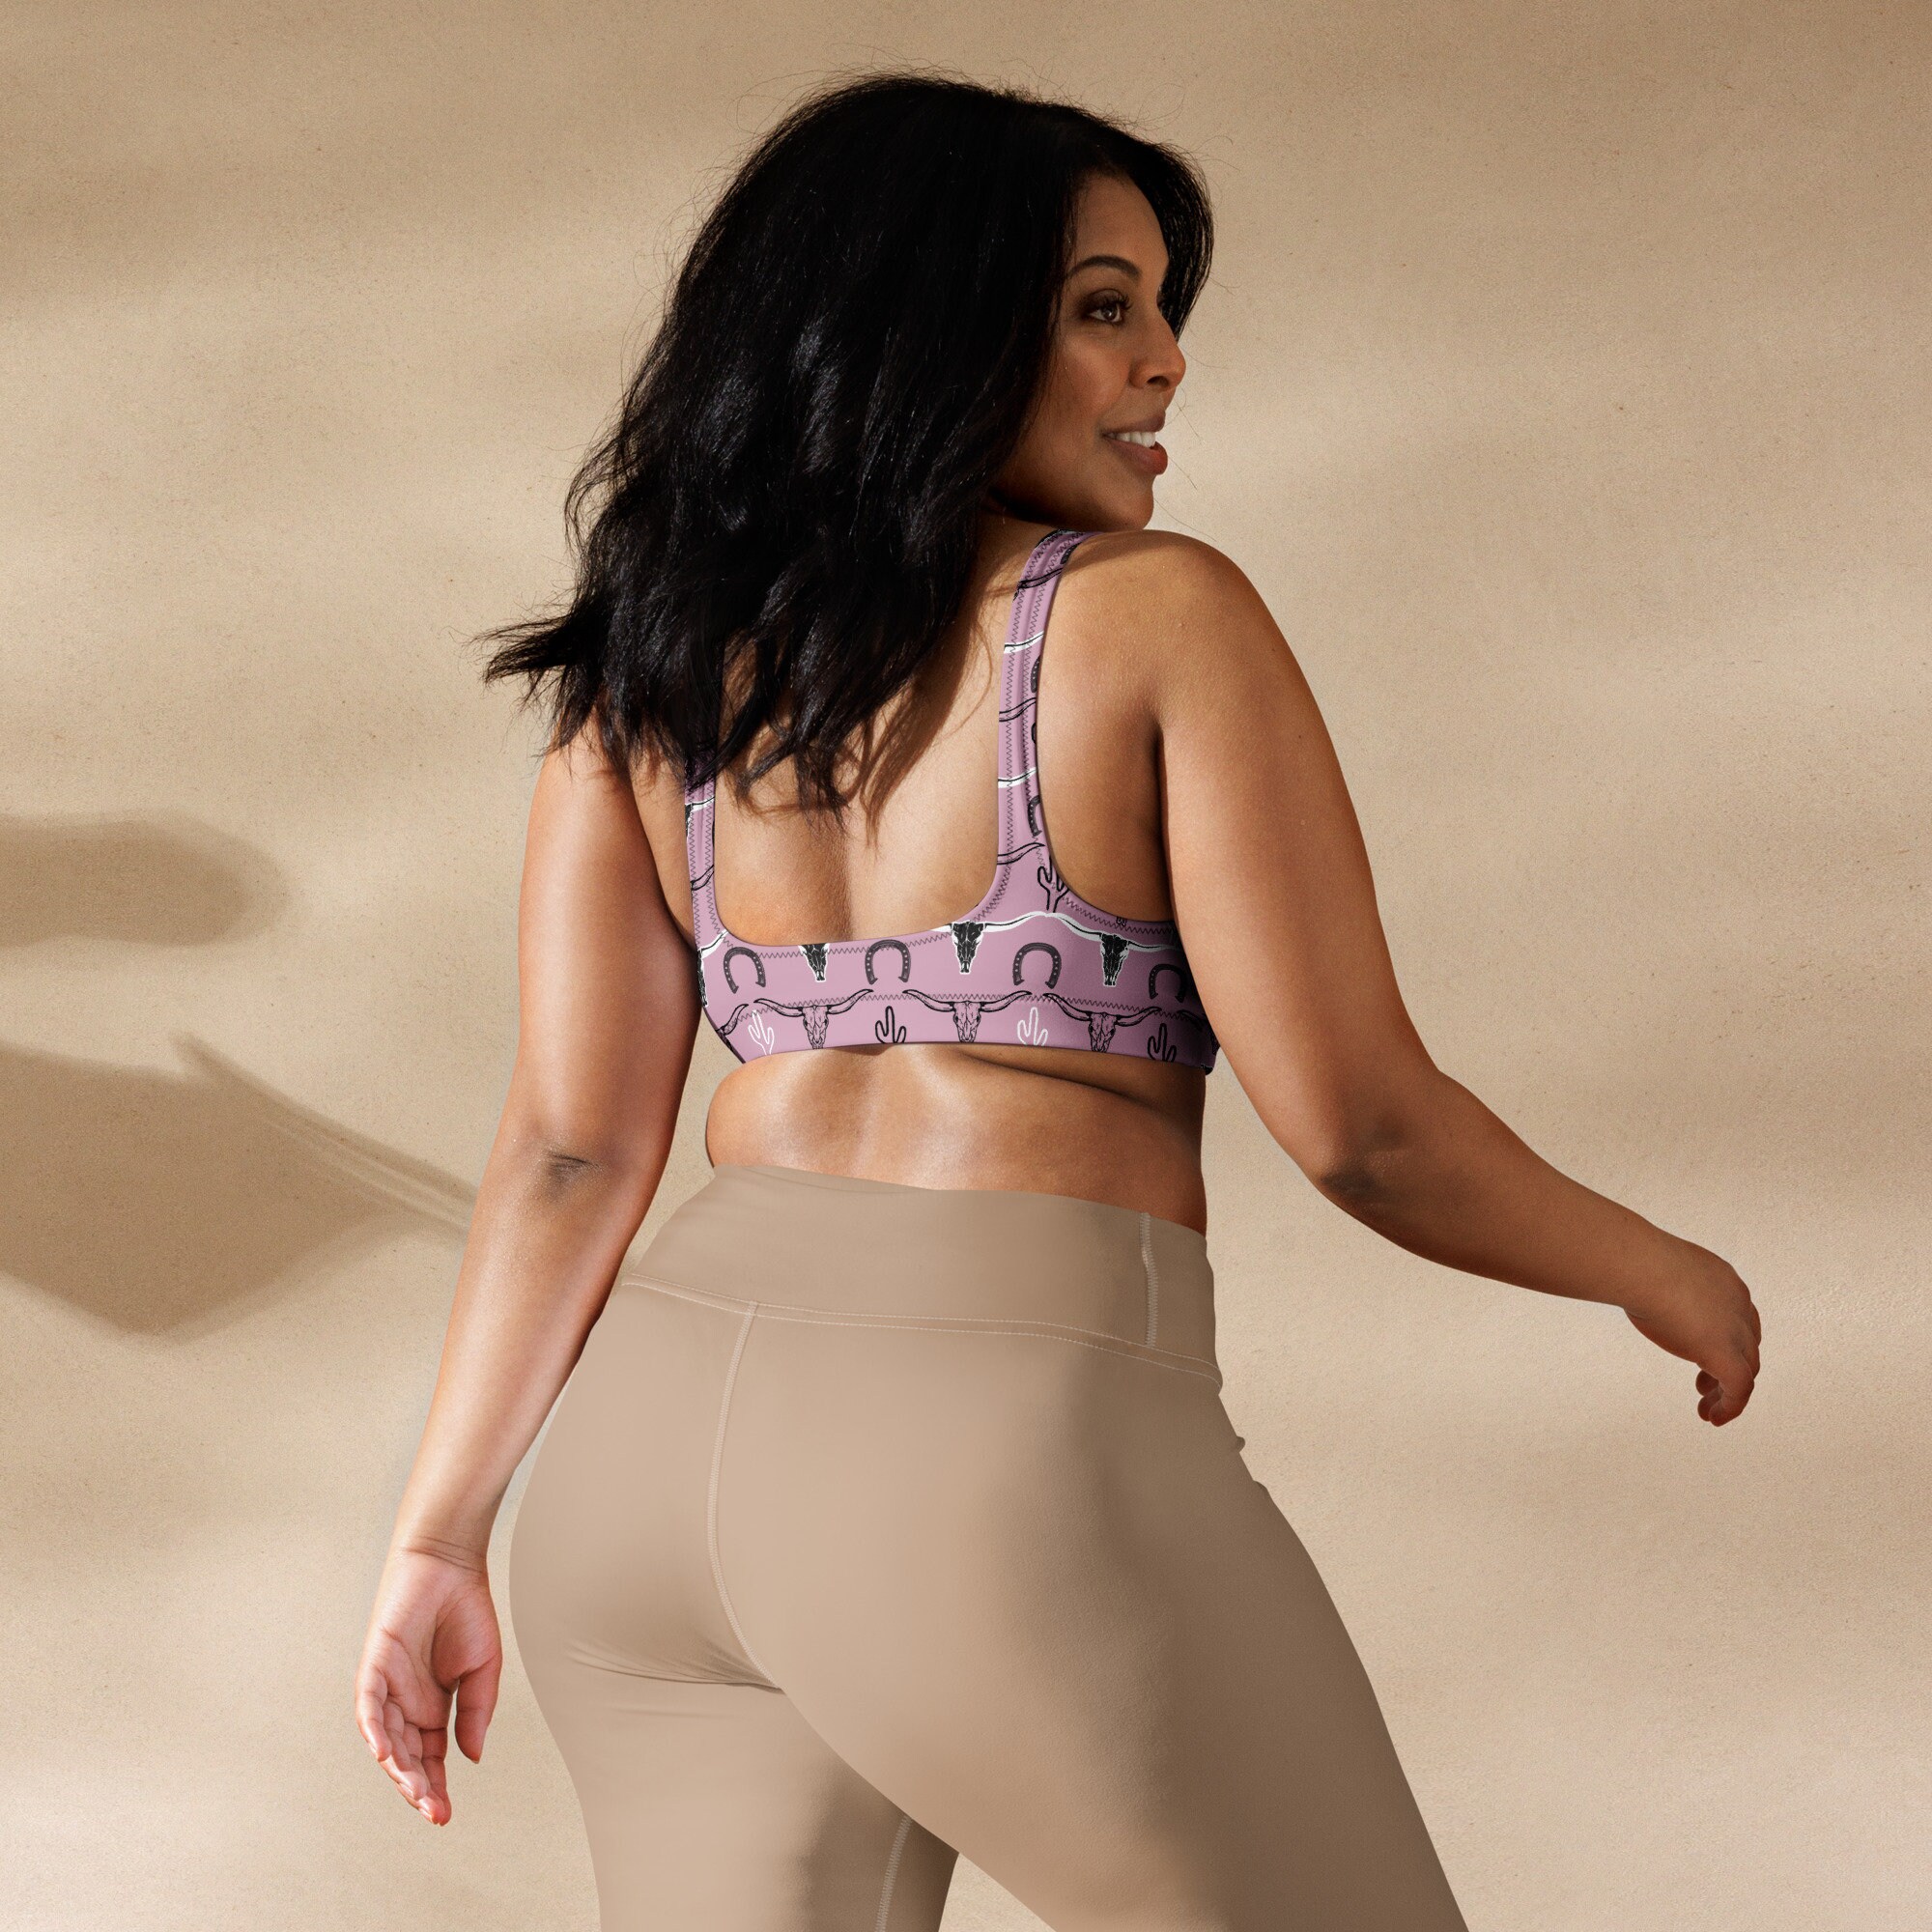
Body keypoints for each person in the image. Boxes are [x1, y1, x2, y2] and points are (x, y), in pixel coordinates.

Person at [354, 71, 1760, 1930]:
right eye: (1106, 307)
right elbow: (1363, 1127)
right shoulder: (1154, 614)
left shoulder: (656, 685)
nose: (1167, 361)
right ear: (930, 330)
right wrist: (1659, 1268)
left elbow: (566, 1150)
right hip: (995, 1448)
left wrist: (438, 1533)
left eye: (1162, 307)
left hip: (638, 1480)